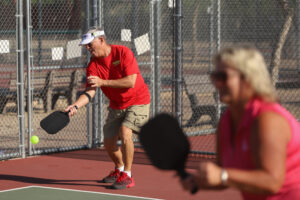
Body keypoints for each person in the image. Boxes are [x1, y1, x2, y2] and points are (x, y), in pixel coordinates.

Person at [180, 47, 300, 199]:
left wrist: (223, 175)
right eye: (215, 76)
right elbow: (225, 176)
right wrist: (198, 181)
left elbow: (272, 182)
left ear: (248, 79)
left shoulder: (268, 119)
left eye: (223, 77)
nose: (217, 83)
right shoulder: (226, 120)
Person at [65, 26, 151, 189]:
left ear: (102, 40)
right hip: (116, 105)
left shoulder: (123, 53)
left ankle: (127, 174)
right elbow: (90, 92)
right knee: (109, 143)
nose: (88, 48)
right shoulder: (92, 66)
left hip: (138, 100)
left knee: (125, 132)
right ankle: (119, 169)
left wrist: (103, 82)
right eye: (86, 46)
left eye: (90, 44)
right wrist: (75, 106)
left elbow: (130, 81)